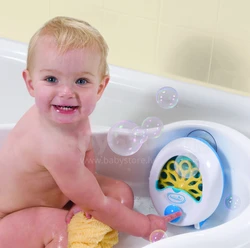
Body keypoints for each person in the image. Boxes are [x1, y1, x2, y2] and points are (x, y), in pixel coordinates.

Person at [0, 16, 181, 247]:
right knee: (60, 227)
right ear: (31, 83)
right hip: (9, 221)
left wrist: (83, 195)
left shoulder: (72, 116)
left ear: (100, 87)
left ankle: (91, 224)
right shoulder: (53, 145)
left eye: (81, 81)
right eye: (51, 79)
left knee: (121, 192)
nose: (66, 92)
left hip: (56, 195)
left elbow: (86, 153)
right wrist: (145, 226)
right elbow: (97, 204)